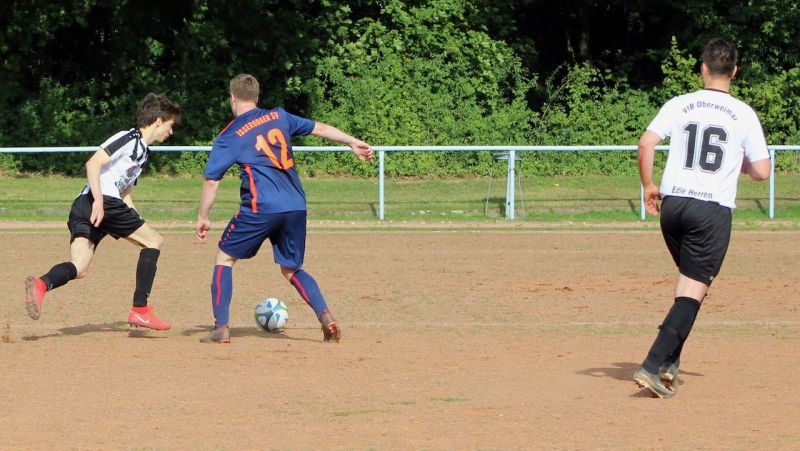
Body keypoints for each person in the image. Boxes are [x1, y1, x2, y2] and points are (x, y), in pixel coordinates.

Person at [633, 38, 771, 398]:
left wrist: (648, 186)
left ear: (703, 68)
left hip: (673, 206)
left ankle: (668, 363)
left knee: (690, 290)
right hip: (710, 211)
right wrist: (737, 160)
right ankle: (652, 365)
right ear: (735, 72)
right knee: (693, 293)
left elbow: (646, 143)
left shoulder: (679, 104)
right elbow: (761, 172)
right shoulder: (743, 113)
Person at [195, 74, 372, 344]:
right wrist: (352, 141)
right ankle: (326, 317)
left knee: (224, 258)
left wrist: (203, 216)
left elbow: (211, 181)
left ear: (232, 97)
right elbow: (320, 128)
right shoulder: (279, 116)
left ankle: (221, 328)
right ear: (256, 96)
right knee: (291, 269)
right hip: (295, 205)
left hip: (261, 207)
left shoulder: (229, 135)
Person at [25, 93, 182, 331]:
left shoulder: (143, 152)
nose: (171, 132)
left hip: (87, 204)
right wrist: (99, 200)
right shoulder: (129, 138)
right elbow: (93, 163)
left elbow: (125, 192)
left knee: (80, 267)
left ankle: (41, 284)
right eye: (171, 125)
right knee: (154, 242)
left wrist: (138, 219)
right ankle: (140, 310)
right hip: (99, 202)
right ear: (158, 120)